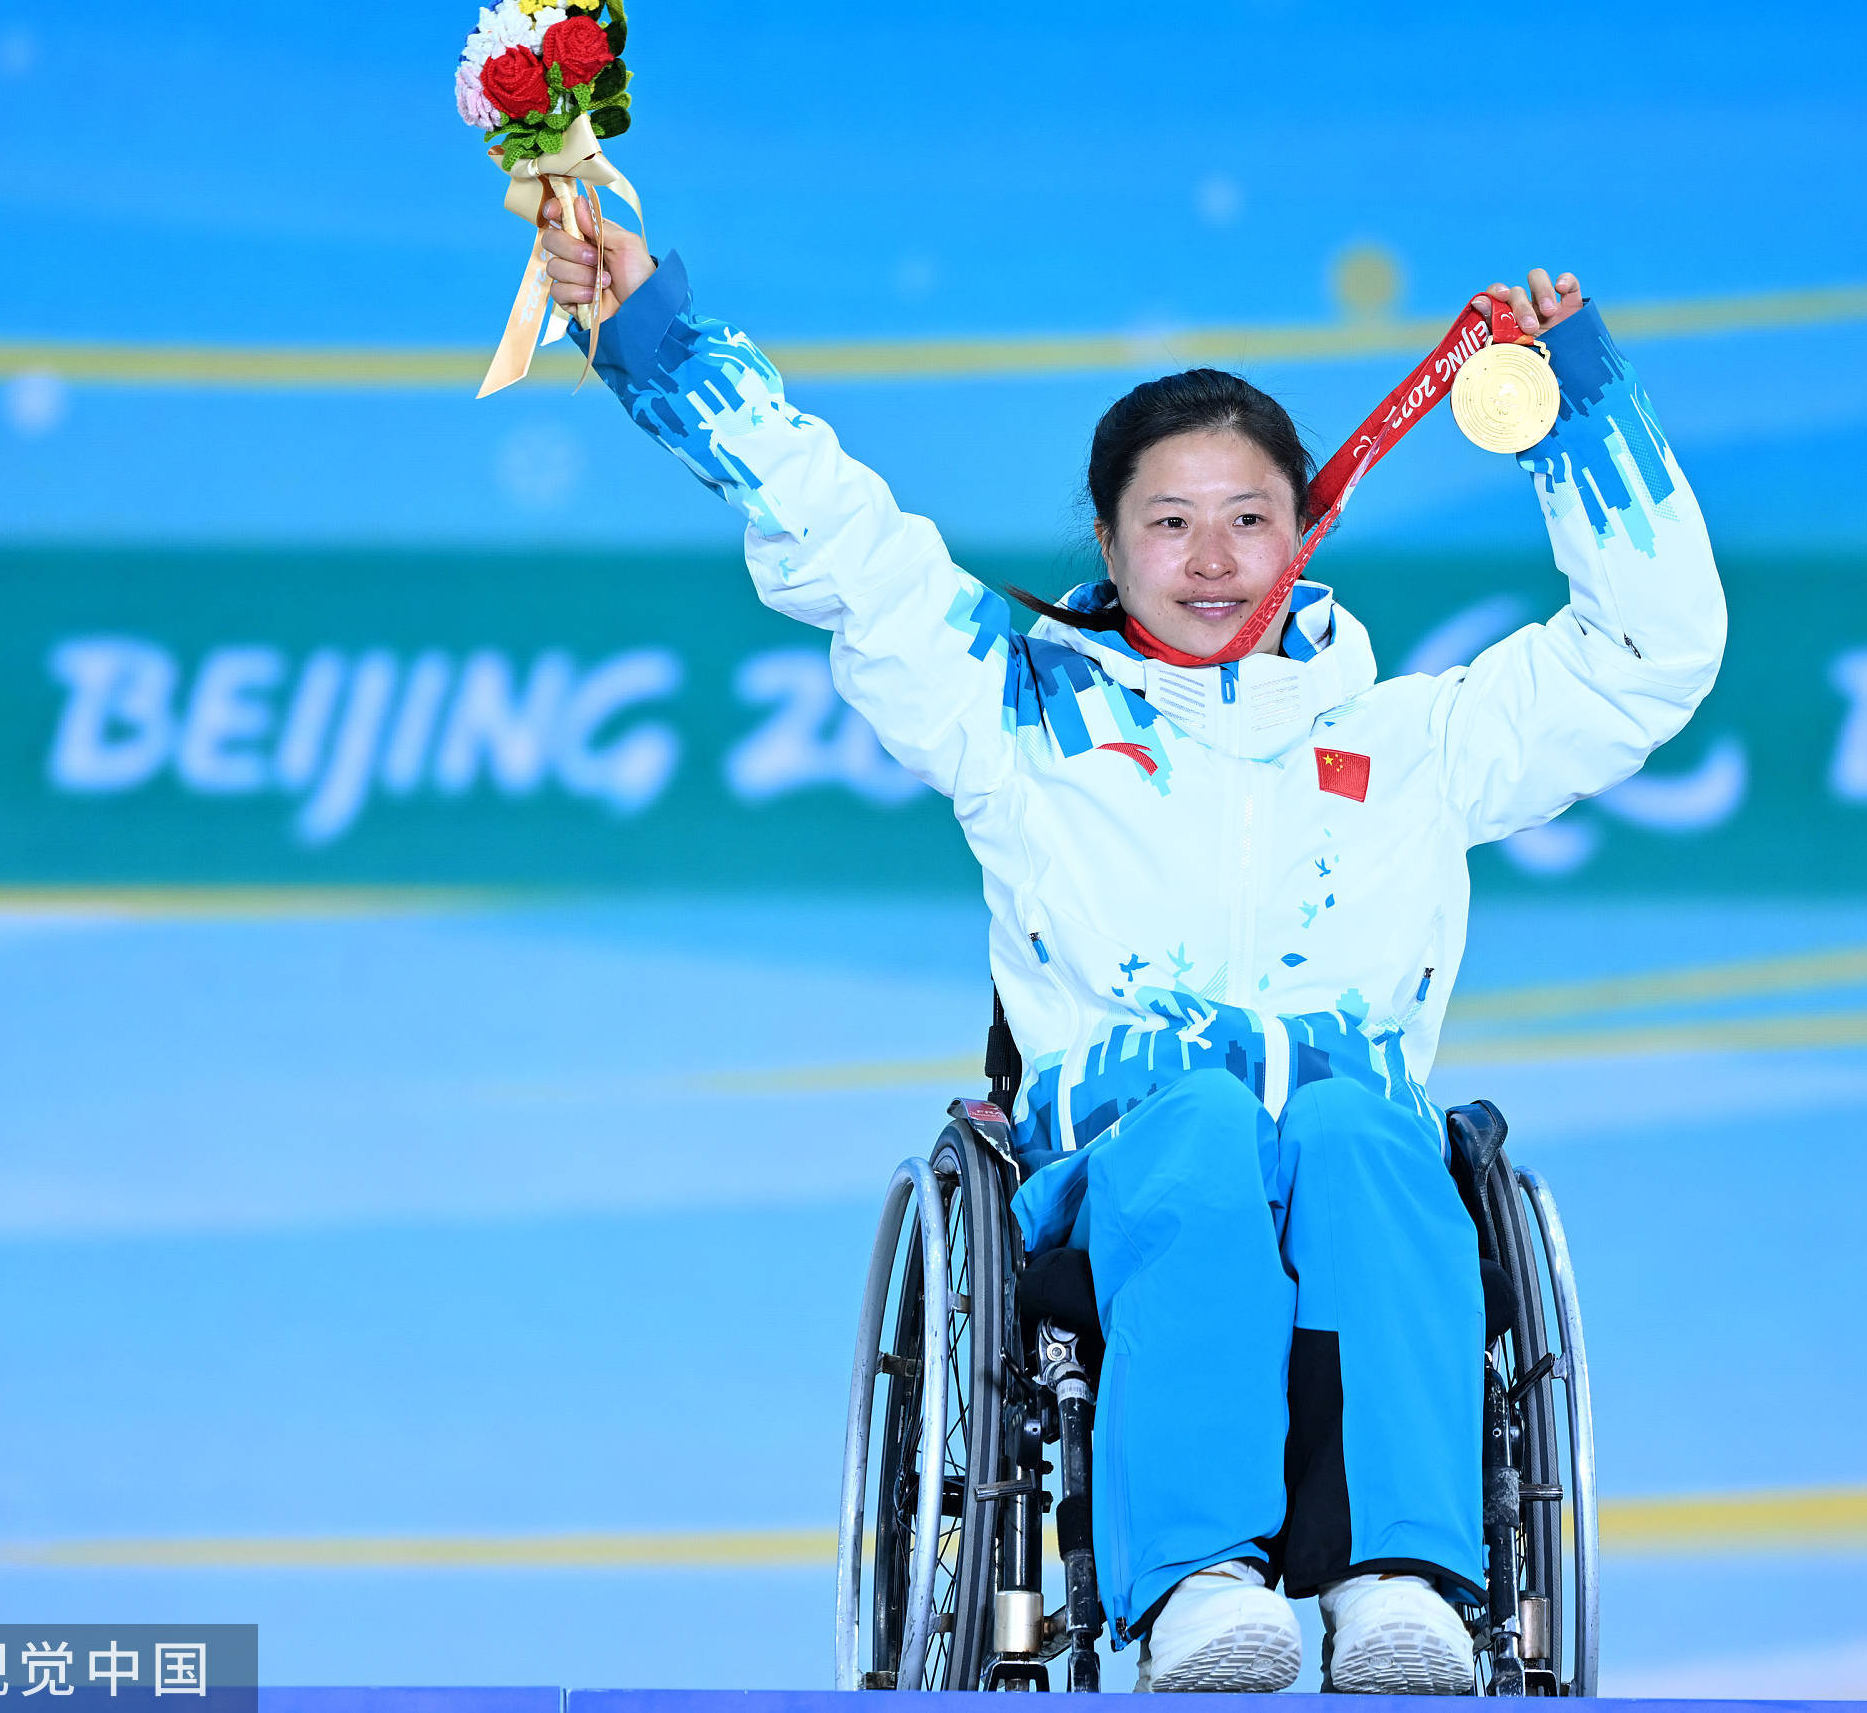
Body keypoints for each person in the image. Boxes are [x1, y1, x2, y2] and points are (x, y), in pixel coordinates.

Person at [538, 199, 1725, 1692]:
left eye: (1249, 519)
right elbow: (840, 538)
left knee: (1372, 1135)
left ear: (1308, 529)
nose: (1212, 559)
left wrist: (1579, 413)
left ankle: (1408, 1574)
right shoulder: (1017, 709)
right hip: (1122, 1161)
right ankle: (1191, 1580)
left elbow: (1650, 655)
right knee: (1204, 1132)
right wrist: (656, 336)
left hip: (1350, 1132)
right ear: (1108, 539)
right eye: (1169, 522)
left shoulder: (1412, 738)